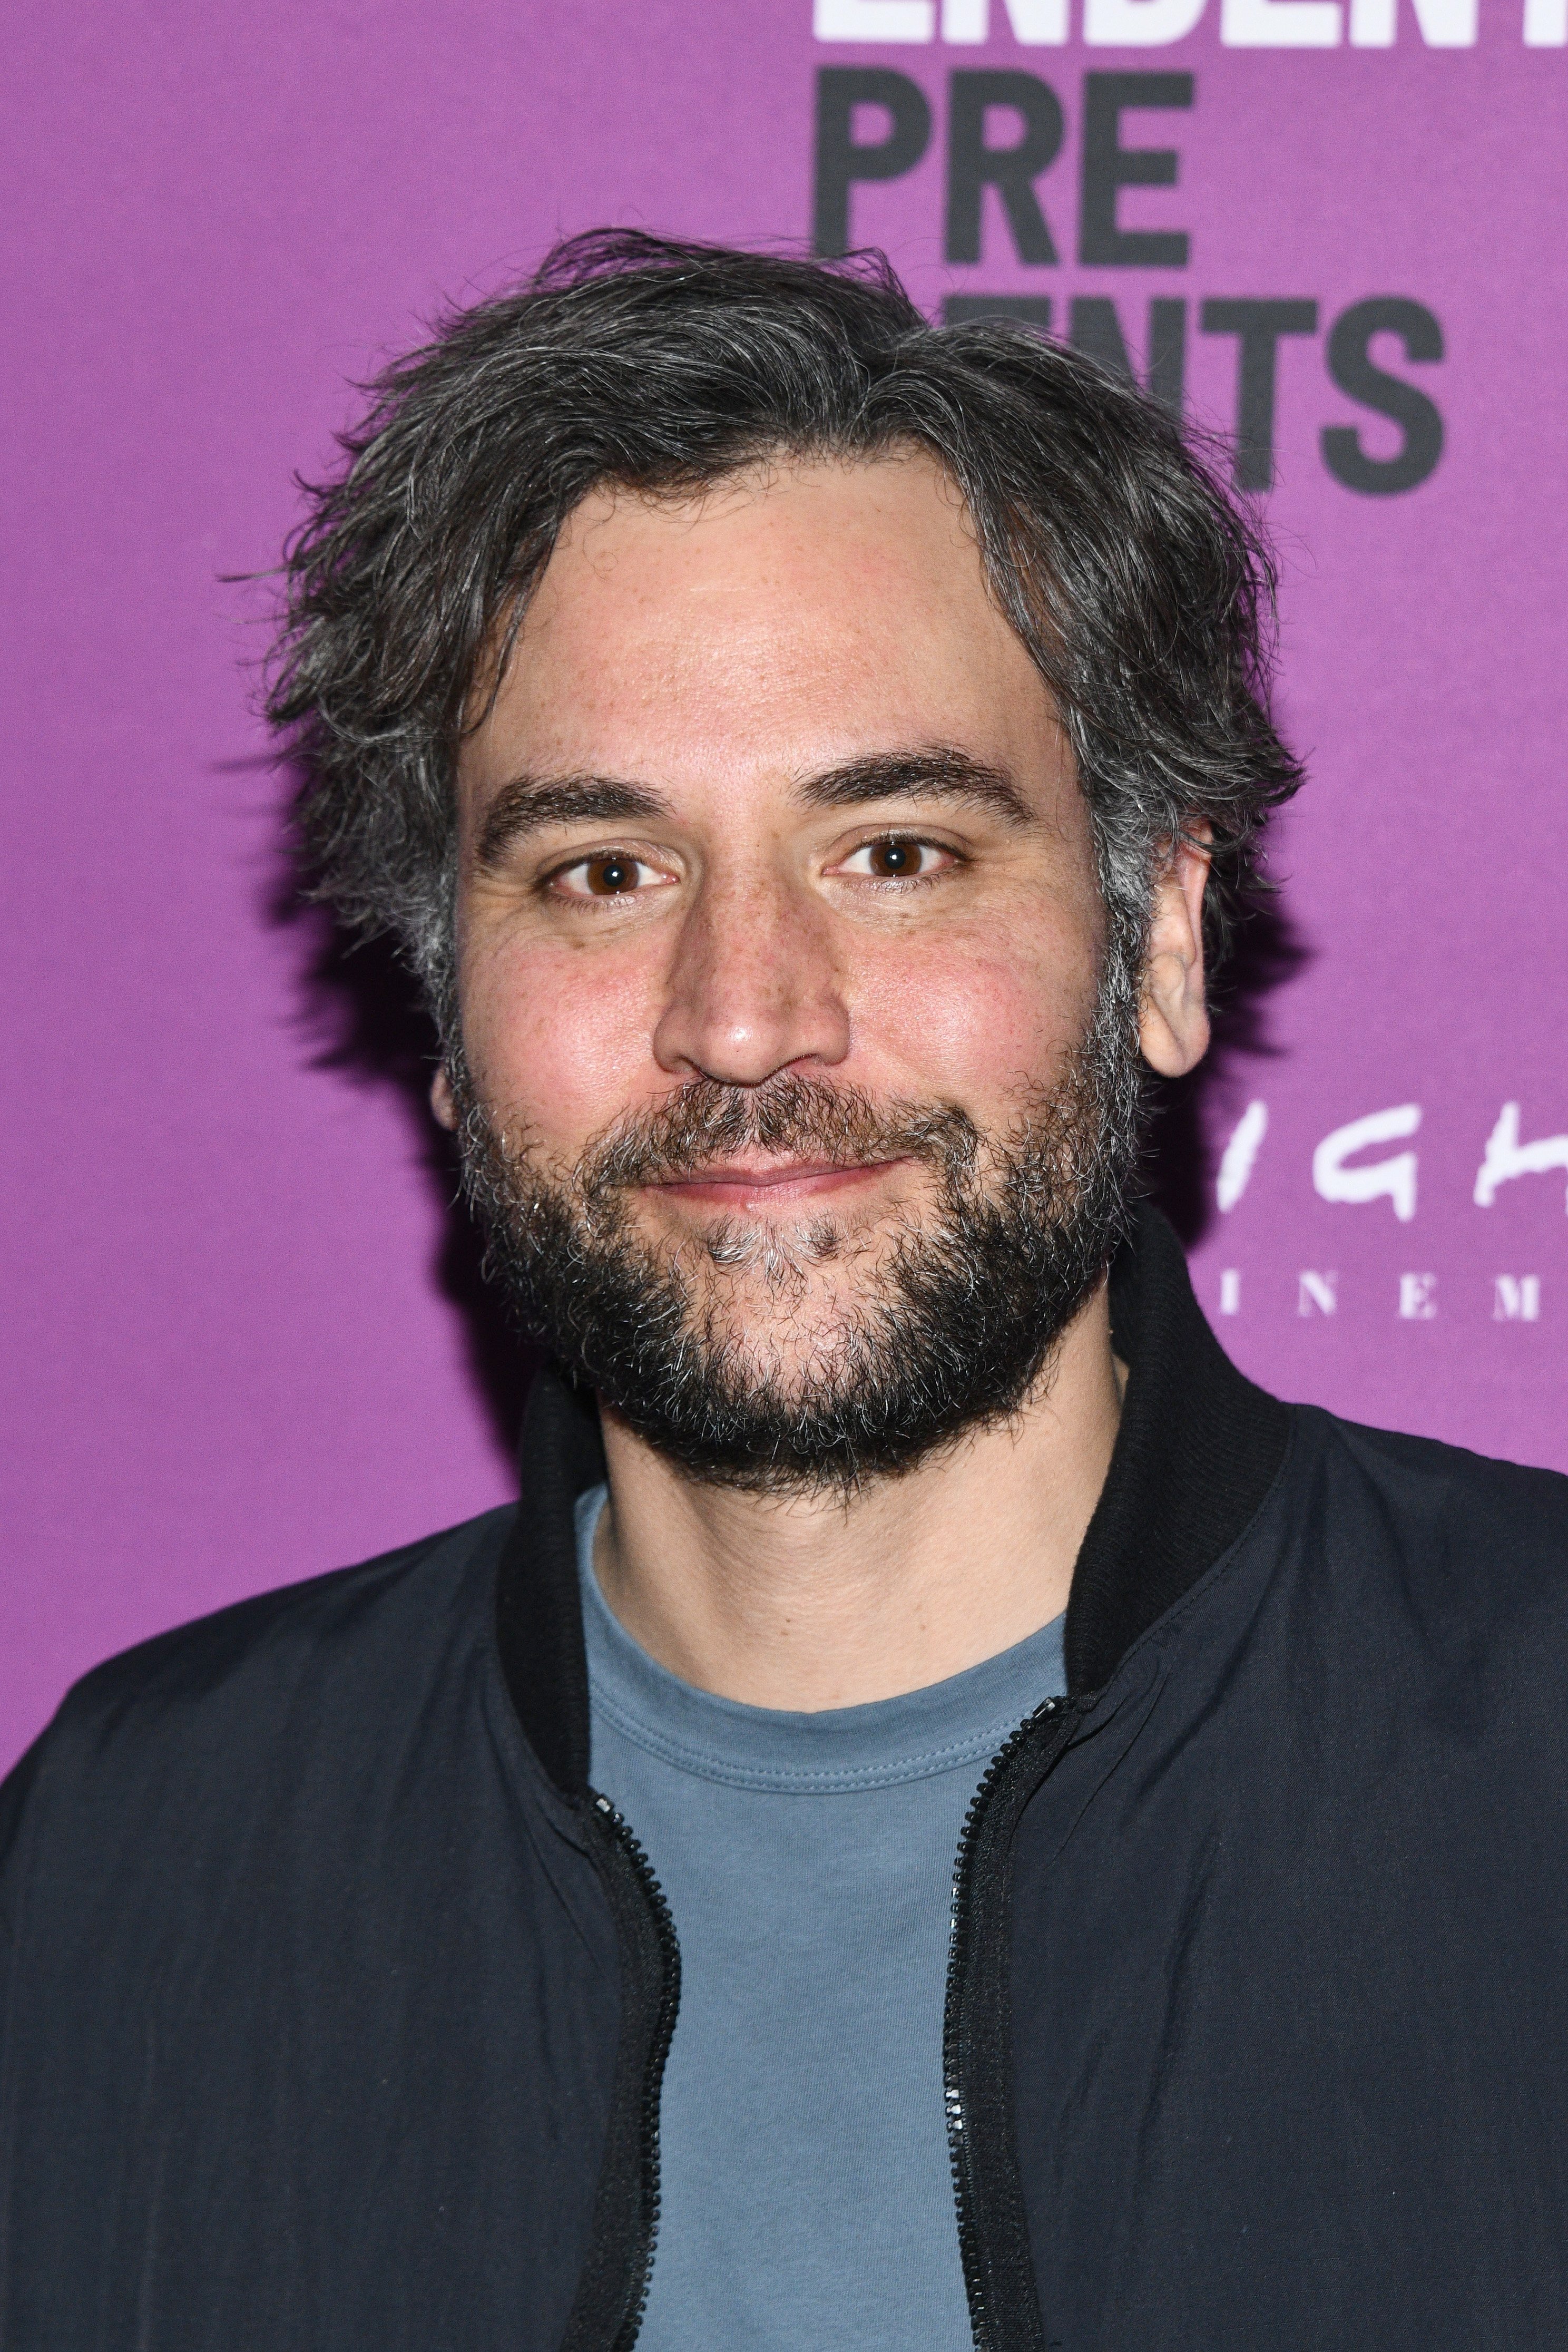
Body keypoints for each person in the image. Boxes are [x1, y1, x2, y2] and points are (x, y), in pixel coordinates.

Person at [2, 230, 1564, 2352]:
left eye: (896, 849)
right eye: (602, 872)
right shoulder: (135, 1866)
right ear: (449, 1023)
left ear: (1163, 937)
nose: (745, 1017)